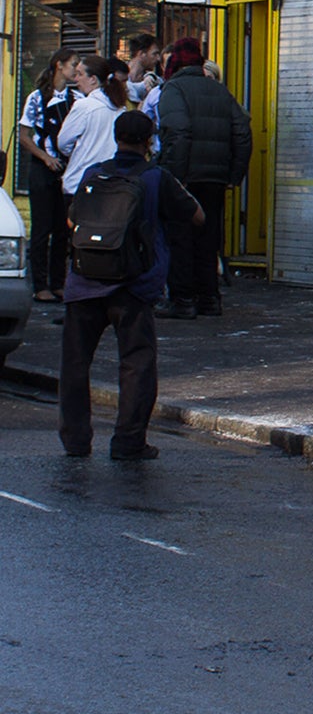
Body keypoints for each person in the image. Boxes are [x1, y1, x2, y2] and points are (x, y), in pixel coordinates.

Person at [58, 109, 203, 460]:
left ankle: (76, 441)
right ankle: (128, 442)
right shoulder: (156, 177)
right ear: (148, 141)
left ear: (116, 137)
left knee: (75, 364)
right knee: (137, 363)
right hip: (133, 286)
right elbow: (196, 216)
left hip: (83, 282)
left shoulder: (94, 173)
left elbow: (71, 218)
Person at [153, 38, 251, 317]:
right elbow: (243, 132)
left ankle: (183, 299)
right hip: (215, 177)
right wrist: (234, 174)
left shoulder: (173, 89)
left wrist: (176, 176)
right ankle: (209, 298)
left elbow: (178, 132)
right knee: (208, 237)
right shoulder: (220, 91)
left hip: (186, 176)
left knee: (180, 237)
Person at [17, 50, 80, 302]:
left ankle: (58, 282)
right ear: (59, 65)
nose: (76, 70)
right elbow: (24, 135)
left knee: (62, 229)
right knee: (42, 229)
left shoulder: (76, 98)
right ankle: (40, 284)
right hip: (43, 168)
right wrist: (45, 158)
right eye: (73, 65)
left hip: (67, 170)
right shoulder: (37, 98)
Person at [55, 55, 125, 204]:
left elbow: (63, 142)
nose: (76, 79)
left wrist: (76, 152)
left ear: (93, 79)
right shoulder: (120, 108)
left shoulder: (84, 106)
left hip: (79, 183)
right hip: (110, 185)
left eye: (80, 74)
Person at [118, 33, 161, 107]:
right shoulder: (118, 78)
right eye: (154, 54)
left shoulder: (155, 80)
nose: (158, 58)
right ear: (141, 54)